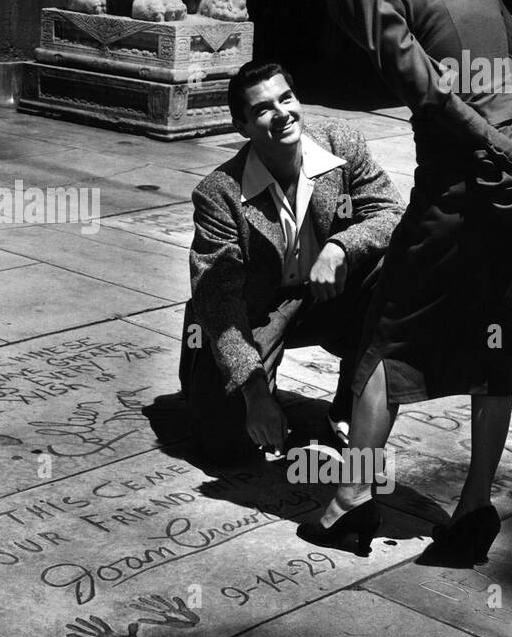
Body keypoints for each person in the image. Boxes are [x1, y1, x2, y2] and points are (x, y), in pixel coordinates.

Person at [275, 0, 512, 566]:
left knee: (383, 334)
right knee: (497, 341)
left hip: (464, 177)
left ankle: (349, 504)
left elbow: (427, 91)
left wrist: (507, 153)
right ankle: (473, 510)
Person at [156, 60, 404, 482]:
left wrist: (340, 247)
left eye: (286, 98)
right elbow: (219, 300)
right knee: (227, 448)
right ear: (243, 126)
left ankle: (352, 403)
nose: (282, 113)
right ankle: (214, 376)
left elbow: (391, 211)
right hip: (256, 310)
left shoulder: (341, 145)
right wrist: (253, 391)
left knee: (391, 268)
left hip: (326, 294)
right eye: (263, 109)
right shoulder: (219, 193)